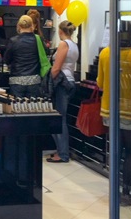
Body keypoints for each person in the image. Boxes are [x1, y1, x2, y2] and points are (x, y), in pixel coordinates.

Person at [96, 22, 131, 205]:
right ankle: (127, 190)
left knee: (115, 151)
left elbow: (100, 83)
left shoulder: (105, 53)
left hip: (110, 108)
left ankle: (114, 190)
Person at [47, 20, 79, 163]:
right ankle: (61, 149)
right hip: (70, 81)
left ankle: (63, 153)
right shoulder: (74, 45)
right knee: (61, 117)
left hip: (62, 83)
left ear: (60, 31)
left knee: (59, 118)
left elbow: (56, 68)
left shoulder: (63, 44)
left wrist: (49, 82)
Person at [4, 15, 43, 98]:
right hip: (34, 80)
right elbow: (44, 55)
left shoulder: (13, 41)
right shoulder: (38, 40)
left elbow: (6, 60)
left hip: (16, 80)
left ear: (19, 26)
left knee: (16, 105)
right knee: (33, 105)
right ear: (32, 25)